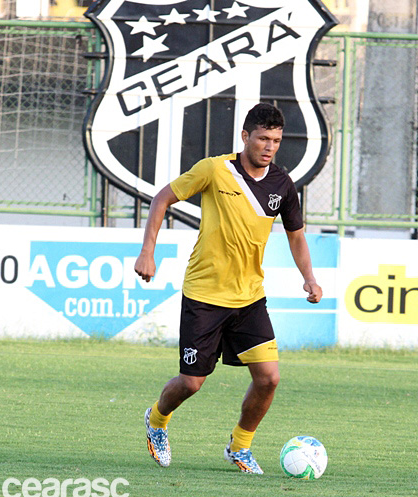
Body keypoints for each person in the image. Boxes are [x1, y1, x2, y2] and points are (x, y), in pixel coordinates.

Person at [134, 102, 322, 475]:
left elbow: (296, 237)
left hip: (249, 298)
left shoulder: (282, 185)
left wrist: (310, 277)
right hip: (204, 295)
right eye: (263, 138)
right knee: (191, 383)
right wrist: (147, 252)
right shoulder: (215, 170)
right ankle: (156, 420)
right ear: (245, 136)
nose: (269, 147)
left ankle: (239, 447)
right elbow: (162, 199)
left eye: (277, 141)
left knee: (269, 378)